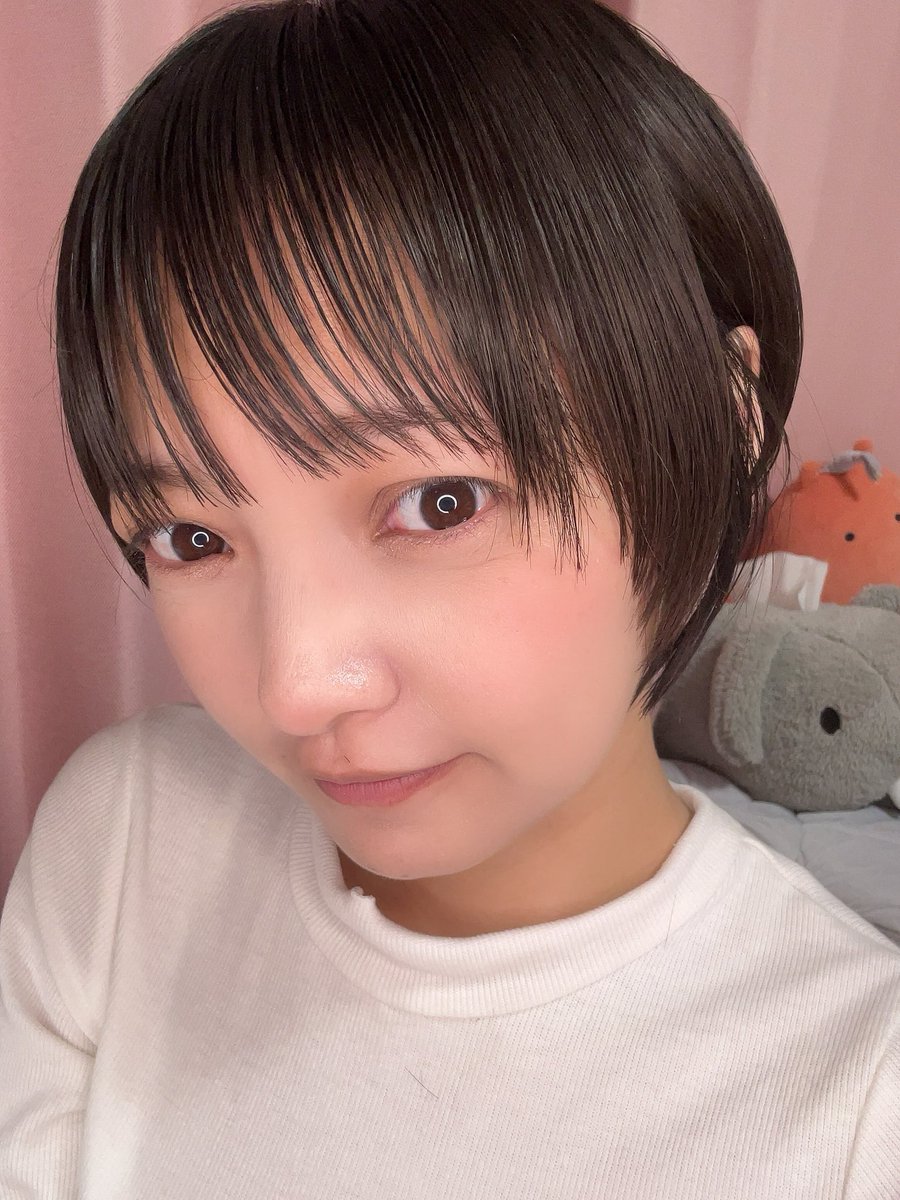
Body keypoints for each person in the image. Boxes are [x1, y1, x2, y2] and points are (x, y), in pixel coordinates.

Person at [1, 0, 897, 1195]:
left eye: (438, 503)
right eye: (192, 536)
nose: (296, 687)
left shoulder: (858, 1108)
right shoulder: (126, 846)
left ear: (722, 420)